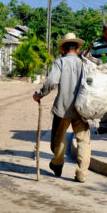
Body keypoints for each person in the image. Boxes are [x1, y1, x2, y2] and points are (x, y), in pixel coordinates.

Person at [32, 33, 92, 183]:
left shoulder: (60, 62)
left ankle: (57, 164)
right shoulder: (85, 63)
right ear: (77, 49)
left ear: (64, 49)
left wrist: (39, 95)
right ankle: (81, 174)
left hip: (63, 107)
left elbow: (51, 81)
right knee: (83, 141)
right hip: (82, 108)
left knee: (59, 138)